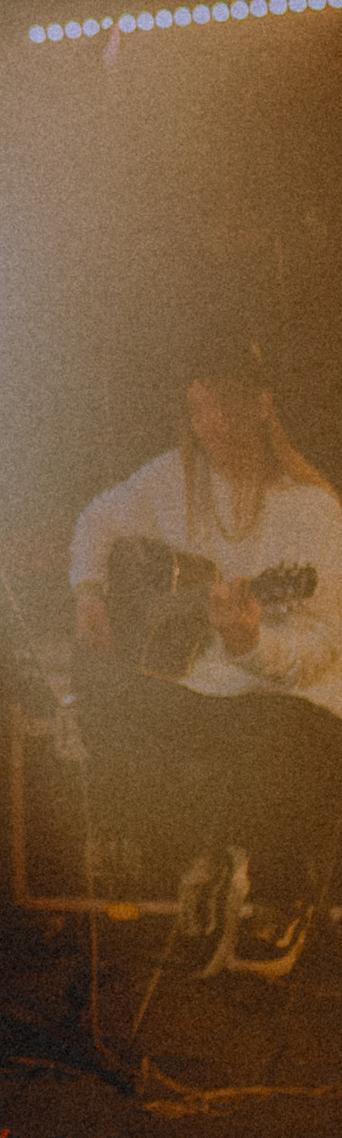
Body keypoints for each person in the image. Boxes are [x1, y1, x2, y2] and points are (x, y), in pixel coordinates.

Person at [69, 329, 342, 964]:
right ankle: (204, 858)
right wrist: (89, 592)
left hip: (290, 697)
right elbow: (97, 520)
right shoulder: (172, 479)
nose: (210, 424)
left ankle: (267, 888)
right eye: (197, 410)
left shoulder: (314, 512)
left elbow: (318, 651)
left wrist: (246, 641)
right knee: (101, 689)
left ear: (263, 404)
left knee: (272, 729)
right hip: (203, 685)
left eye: (224, 405)